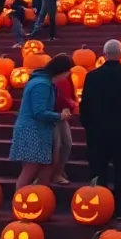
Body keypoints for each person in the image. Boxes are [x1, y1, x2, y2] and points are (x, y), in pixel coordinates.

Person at [80, 39, 121, 221]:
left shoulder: (92, 77)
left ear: (104, 54)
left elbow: (85, 105)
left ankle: (99, 206)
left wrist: (88, 125)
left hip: (97, 131)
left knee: (98, 168)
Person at [10, 57, 69, 187]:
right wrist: (59, 116)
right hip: (32, 131)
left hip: (39, 130)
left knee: (45, 165)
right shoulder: (42, 85)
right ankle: (19, 199)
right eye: (67, 72)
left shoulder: (43, 81)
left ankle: (40, 195)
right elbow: (39, 112)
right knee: (30, 168)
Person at [50, 55, 77, 185]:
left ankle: (59, 169)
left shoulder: (67, 78)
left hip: (63, 114)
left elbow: (69, 94)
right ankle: (55, 173)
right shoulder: (53, 80)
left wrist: (72, 104)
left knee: (67, 143)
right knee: (57, 145)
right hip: (54, 114)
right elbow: (59, 96)